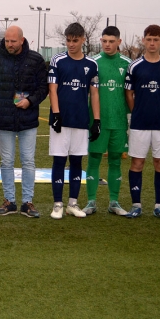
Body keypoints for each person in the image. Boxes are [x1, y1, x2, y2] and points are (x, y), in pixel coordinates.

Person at [0, 26, 48, 218]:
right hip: (4, 120)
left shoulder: (36, 59)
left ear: (22, 40)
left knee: (28, 161)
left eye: (13, 41)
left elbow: (43, 87)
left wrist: (30, 101)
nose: (9, 44)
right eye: (7, 40)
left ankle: (27, 202)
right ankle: (9, 201)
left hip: (28, 119)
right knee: (6, 161)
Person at [48, 22, 100, 219]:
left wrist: (96, 120)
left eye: (75, 40)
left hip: (80, 121)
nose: (71, 44)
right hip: (60, 121)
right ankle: (58, 204)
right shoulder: (57, 60)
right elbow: (53, 89)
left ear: (83, 40)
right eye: (68, 40)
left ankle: (73, 203)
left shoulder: (91, 65)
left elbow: (94, 94)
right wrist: (57, 114)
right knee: (59, 161)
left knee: (77, 161)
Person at [124, 24, 160, 220]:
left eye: (156, 40)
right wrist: (137, 110)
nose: (152, 43)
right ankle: (136, 205)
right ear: (143, 40)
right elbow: (128, 92)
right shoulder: (135, 66)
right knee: (137, 162)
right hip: (139, 123)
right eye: (149, 39)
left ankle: (159, 206)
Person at [82, 26, 131, 216]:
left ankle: (114, 202)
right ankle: (91, 202)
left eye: (111, 41)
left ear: (119, 42)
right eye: (104, 41)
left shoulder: (128, 64)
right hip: (97, 121)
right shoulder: (93, 63)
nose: (107, 45)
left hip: (119, 122)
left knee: (116, 160)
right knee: (93, 158)